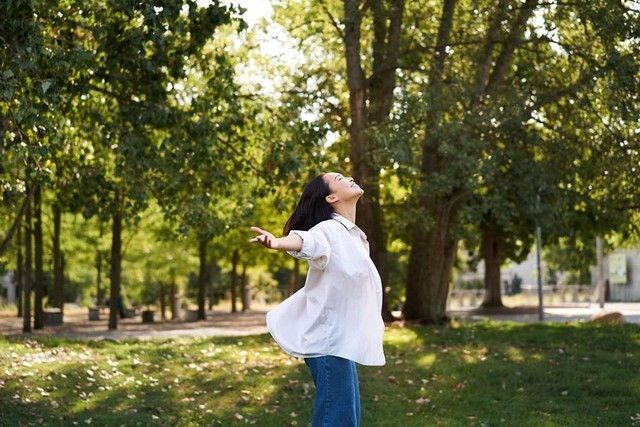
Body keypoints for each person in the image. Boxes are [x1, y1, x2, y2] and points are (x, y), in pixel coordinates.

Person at [250, 172, 385, 427]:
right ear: (331, 196)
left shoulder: (353, 236)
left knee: (347, 419)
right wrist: (277, 242)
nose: (350, 177)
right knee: (337, 420)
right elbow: (307, 240)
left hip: (340, 342)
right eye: (340, 177)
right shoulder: (329, 229)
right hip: (328, 343)